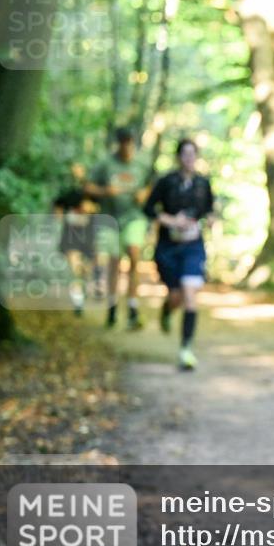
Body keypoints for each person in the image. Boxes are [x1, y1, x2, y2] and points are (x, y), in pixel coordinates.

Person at [143, 139, 214, 371]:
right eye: (185, 154)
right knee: (176, 296)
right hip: (168, 247)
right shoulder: (166, 182)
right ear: (178, 157)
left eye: (193, 154)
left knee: (190, 294)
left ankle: (186, 349)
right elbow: (148, 208)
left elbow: (210, 210)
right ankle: (167, 309)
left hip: (193, 246)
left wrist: (209, 220)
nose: (189, 158)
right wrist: (171, 220)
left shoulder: (203, 183)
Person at [85, 127, 152, 330]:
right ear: (118, 143)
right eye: (124, 142)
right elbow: (87, 187)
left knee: (134, 255)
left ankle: (132, 308)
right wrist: (105, 191)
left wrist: (144, 193)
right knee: (114, 262)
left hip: (134, 217)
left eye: (130, 142)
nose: (127, 146)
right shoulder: (106, 164)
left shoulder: (142, 164)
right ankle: (112, 306)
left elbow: (153, 185)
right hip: (110, 219)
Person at [52, 163, 97, 317]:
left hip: (88, 237)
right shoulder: (67, 191)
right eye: (74, 170)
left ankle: (83, 290)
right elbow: (57, 206)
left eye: (80, 170)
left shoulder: (92, 191)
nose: (77, 173)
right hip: (71, 237)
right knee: (75, 269)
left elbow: (100, 208)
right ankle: (78, 302)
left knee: (85, 270)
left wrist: (91, 209)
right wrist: (62, 217)